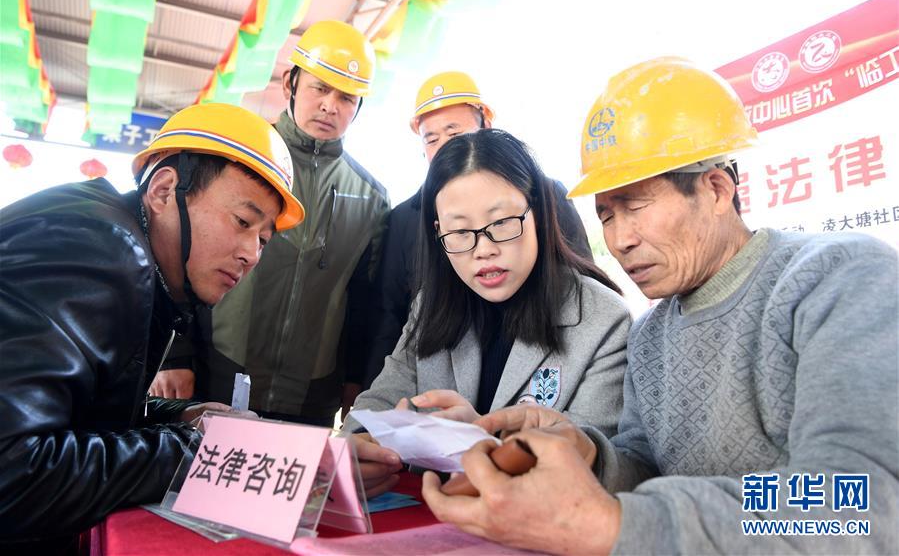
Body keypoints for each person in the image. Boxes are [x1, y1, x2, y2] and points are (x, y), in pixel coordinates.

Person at [420, 57, 899, 554]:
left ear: (715, 188)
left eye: (636, 206)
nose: (620, 239)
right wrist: (589, 454)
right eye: (606, 214)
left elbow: (859, 507)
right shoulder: (651, 334)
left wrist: (618, 525)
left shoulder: (837, 279)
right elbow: (648, 466)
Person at [0, 103, 304, 547]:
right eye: (242, 221)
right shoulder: (101, 250)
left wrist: (179, 417)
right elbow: (14, 472)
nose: (251, 254)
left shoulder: (120, 240)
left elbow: (78, 412)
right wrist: (197, 452)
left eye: (262, 238)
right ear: (163, 191)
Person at [343, 128, 631, 499]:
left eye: (500, 224)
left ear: (538, 214)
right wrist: (359, 447)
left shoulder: (603, 322)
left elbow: (592, 461)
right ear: (438, 233)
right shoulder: (429, 306)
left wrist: (479, 436)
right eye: (460, 232)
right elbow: (378, 402)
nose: (483, 249)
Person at [152, 20, 391, 426]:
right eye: (319, 88)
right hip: (216, 371)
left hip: (313, 393)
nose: (330, 105)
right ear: (290, 84)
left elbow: (365, 303)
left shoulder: (372, 197)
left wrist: (357, 382)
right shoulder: (240, 158)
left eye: (346, 97)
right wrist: (173, 354)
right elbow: (175, 252)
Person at [365, 71, 593, 386]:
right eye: (431, 139)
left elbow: (579, 287)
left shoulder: (546, 194)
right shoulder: (405, 218)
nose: (482, 248)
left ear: (485, 127)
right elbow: (388, 312)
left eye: (454, 133)